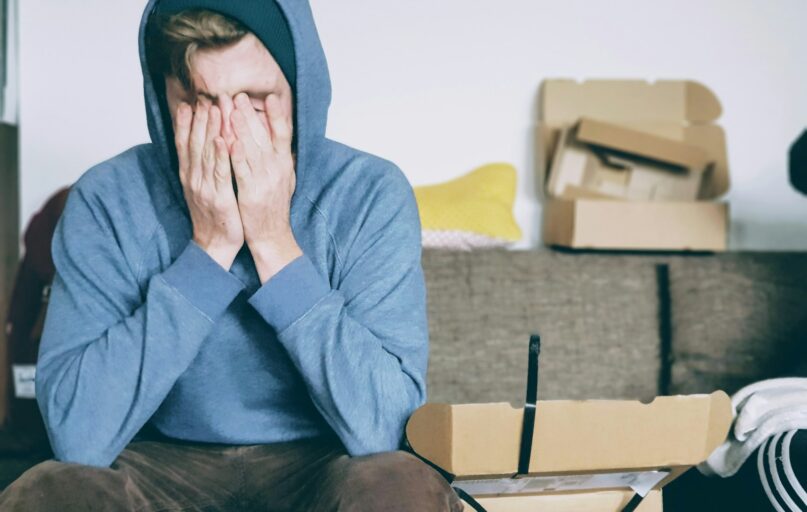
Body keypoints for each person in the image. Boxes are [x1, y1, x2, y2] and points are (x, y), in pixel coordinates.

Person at [0, 1, 462, 510]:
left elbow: (386, 428)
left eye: (257, 100)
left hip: (325, 463)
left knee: (401, 487)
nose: (227, 132)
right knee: (50, 492)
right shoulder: (106, 199)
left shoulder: (370, 193)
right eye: (199, 101)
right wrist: (210, 247)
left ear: (300, 92)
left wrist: (273, 242)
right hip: (159, 463)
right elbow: (77, 438)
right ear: (162, 97)